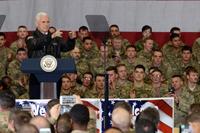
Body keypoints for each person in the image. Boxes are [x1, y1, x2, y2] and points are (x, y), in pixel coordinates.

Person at [26, 12, 76, 99]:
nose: (46, 24)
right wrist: (51, 36)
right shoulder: (31, 37)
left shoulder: (55, 37)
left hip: (55, 75)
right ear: (36, 23)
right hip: (37, 75)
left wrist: (71, 39)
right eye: (43, 22)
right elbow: (34, 44)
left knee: (53, 101)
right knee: (36, 101)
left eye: (48, 22)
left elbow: (67, 47)